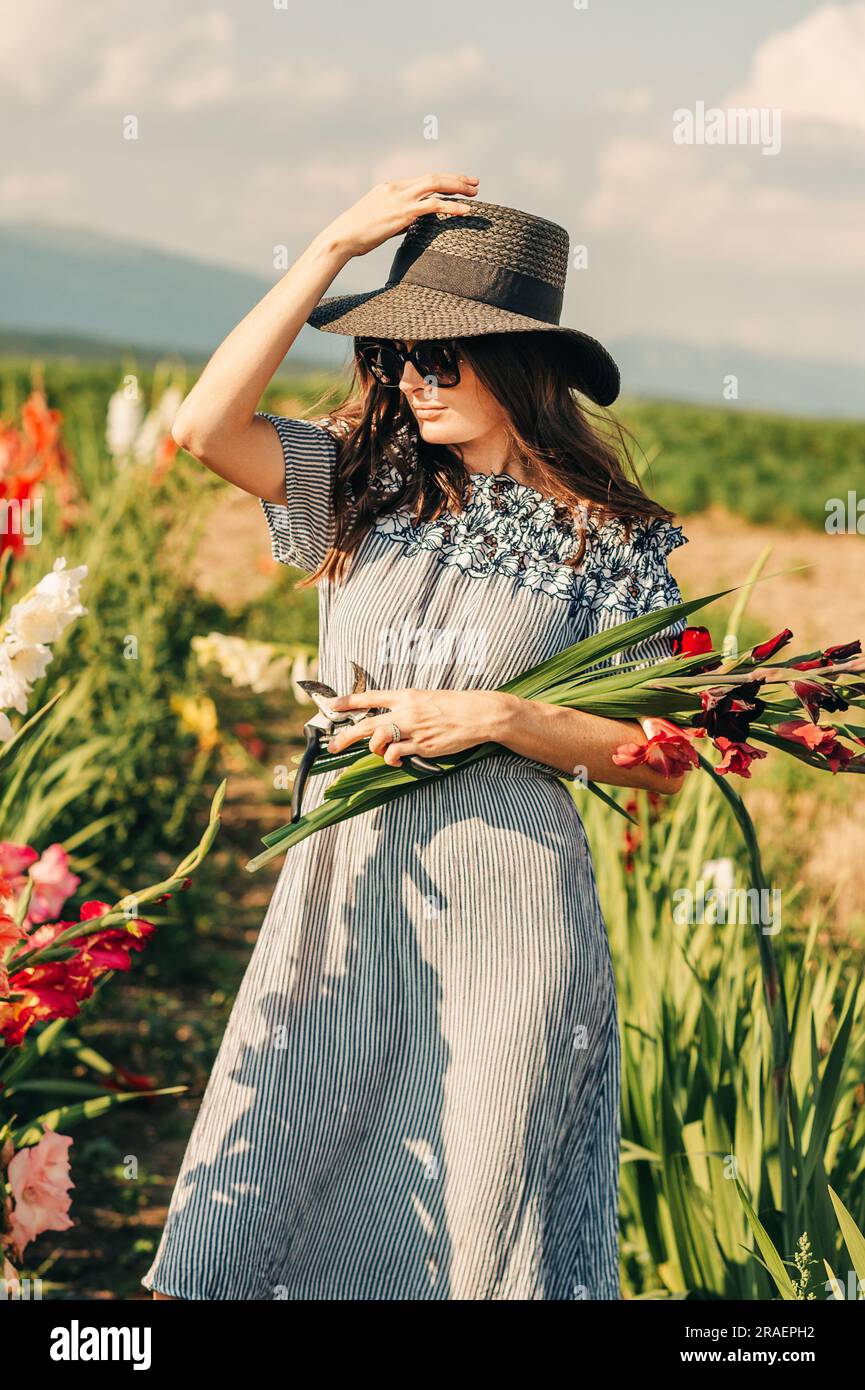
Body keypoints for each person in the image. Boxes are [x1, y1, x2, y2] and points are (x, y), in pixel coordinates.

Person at [144, 174, 687, 1301]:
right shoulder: (361, 484)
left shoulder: (610, 541)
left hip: (511, 912)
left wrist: (500, 718)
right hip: (347, 893)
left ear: (523, 365)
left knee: (478, 1214)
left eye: (442, 357)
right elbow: (201, 428)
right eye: (393, 356)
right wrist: (334, 246)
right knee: (271, 1191)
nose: (409, 380)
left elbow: (664, 758)